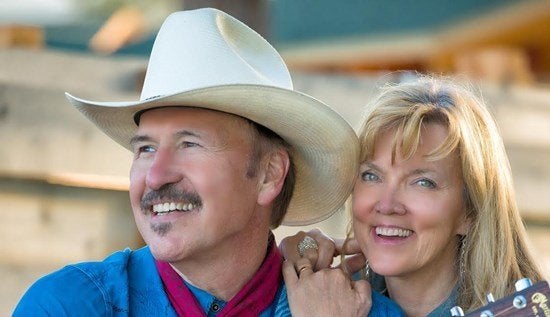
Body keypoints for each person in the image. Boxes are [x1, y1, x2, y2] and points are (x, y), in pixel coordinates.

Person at [13, 8, 374, 316]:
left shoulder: (353, 307)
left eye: (189, 144)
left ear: (269, 174)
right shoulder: (69, 305)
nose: (155, 176)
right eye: (145, 149)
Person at [281, 75, 545, 316]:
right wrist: (289, 264)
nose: (386, 205)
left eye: (422, 182)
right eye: (372, 176)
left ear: (471, 211)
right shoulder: (324, 297)